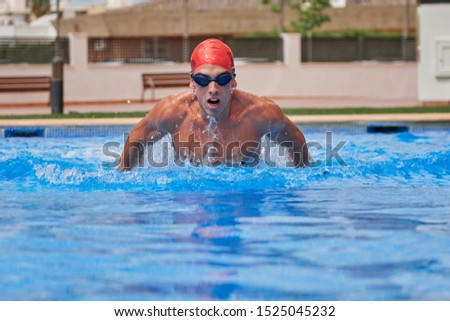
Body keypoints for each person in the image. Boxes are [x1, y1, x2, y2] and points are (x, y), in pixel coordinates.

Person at [119, 38, 309, 171]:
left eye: (222, 78)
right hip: (191, 200)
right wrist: (127, 178)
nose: (213, 88)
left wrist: (301, 174)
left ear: (233, 80)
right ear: (192, 82)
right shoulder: (172, 112)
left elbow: (297, 141)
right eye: (203, 80)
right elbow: (136, 140)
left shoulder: (260, 114)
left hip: (244, 195)